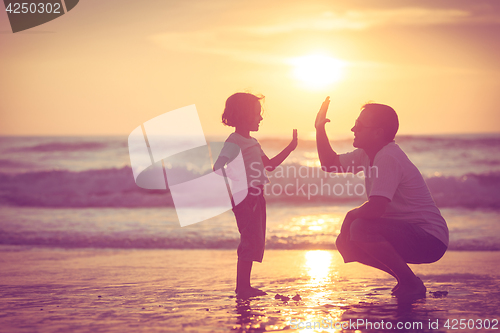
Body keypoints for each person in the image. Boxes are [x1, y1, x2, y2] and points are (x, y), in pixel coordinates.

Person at [315, 97, 448, 298]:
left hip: (430, 239)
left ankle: (410, 282)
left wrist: (350, 216)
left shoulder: (388, 157)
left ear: (378, 132)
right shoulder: (367, 154)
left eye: (359, 125)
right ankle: (407, 279)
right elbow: (330, 164)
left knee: (359, 228)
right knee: (346, 242)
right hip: (410, 233)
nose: (353, 129)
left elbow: (376, 209)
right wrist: (319, 129)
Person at [213, 92, 298, 299]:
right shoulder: (234, 140)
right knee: (249, 240)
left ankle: (245, 286)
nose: (260, 118)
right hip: (245, 196)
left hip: (257, 195)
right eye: (257, 114)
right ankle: (242, 288)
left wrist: (291, 146)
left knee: (255, 240)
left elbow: (269, 166)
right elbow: (218, 167)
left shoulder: (252, 142)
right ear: (243, 115)